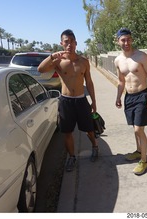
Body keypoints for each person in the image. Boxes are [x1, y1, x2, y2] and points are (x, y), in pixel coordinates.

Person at [38, 29, 98, 172]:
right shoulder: (58, 61)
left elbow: (89, 82)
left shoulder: (83, 62)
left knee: (89, 129)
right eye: (66, 42)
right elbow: (41, 69)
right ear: (61, 43)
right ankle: (71, 157)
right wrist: (52, 56)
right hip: (66, 101)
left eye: (72, 41)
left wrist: (94, 101)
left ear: (76, 43)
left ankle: (95, 146)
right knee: (67, 132)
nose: (69, 44)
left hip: (81, 100)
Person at [114, 28, 147, 175]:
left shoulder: (141, 56)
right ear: (118, 41)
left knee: (139, 129)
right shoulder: (118, 60)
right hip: (129, 97)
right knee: (134, 128)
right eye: (123, 40)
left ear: (132, 40)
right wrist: (118, 96)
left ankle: (144, 161)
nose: (126, 42)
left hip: (142, 96)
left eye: (129, 39)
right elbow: (121, 81)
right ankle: (139, 151)